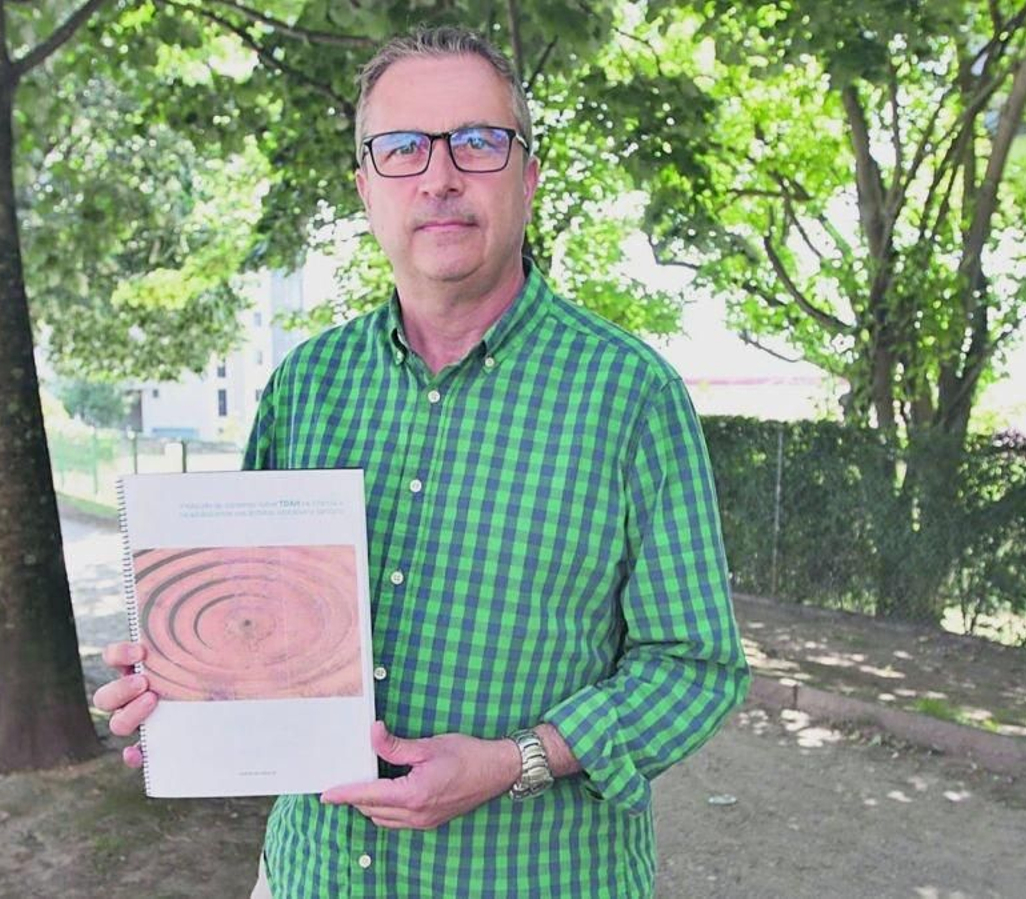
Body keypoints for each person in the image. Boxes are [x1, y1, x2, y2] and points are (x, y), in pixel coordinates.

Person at [94, 25, 750, 898]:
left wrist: (519, 758)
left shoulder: (630, 396)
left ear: (528, 175)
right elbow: (255, 619)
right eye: (402, 148)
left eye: (476, 141)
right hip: (312, 876)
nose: (439, 176)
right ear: (366, 187)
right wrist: (181, 684)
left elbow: (696, 665)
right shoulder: (306, 387)